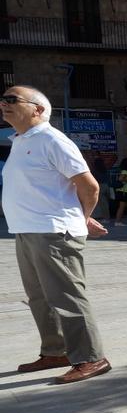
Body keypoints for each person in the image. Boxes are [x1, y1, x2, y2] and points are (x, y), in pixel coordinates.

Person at [1, 85, 112, 383]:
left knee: (67, 297)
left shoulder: (52, 140)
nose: (4, 104)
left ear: (37, 109)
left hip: (54, 232)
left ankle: (92, 357)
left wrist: (82, 218)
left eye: (12, 99)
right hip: (27, 231)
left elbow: (89, 187)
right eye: (3, 99)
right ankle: (56, 351)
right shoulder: (21, 141)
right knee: (39, 297)